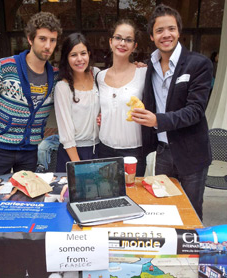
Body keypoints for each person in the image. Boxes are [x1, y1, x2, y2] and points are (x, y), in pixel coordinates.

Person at [132, 4, 212, 220]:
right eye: (159, 30)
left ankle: (192, 251)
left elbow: (195, 111)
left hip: (192, 154)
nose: (166, 34)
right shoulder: (149, 66)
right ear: (151, 36)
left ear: (178, 31)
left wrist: (157, 120)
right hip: (163, 153)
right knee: (165, 211)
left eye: (171, 29)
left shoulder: (198, 64)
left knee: (191, 213)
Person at [0, 12, 62, 183]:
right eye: (42, 39)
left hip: (30, 151)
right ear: (30, 39)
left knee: (25, 197)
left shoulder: (55, 77)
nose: (48, 45)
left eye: (52, 40)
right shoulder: (5, 67)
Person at [96, 19, 147, 176]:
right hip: (104, 149)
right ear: (111, 42)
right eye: (118, 38)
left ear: (134, 46)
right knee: (106, 197)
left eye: (128, 39)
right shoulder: (99, 76)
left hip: (133, 152)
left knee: (132, 198)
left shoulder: (144, 73)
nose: (122, 43)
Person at [54, 33, 100, 172]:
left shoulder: (97, 74)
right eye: (73, 55)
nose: (79, 59)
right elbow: (65, 132)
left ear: (89, 54)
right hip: (72, 154)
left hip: (97, 149)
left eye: (83, 53)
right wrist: (78, 166)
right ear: (66, 58)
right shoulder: (62, 87)